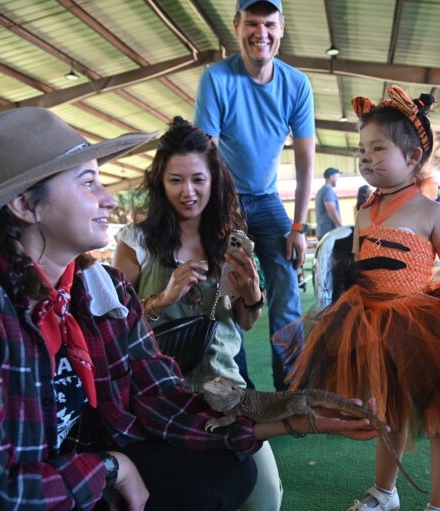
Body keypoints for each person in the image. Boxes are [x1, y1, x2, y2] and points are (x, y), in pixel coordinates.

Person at [0, 107, 379, 511]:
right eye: (88, 182)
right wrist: (108, 469)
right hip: (34, 485)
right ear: (25, 205)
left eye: (199, 179)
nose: (107, 199)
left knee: (229, 469)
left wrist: (299, 420)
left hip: (102, 448)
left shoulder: (95, 286)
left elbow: (159, 397)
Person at [288, 86, 440, 511]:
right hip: (369, 324)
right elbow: (357, 267)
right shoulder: (362, 211)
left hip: (421, 325)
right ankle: (384, 491)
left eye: (378, 148)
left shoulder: (431, 212)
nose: (366, 157)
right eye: (362, 149)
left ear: (412, 157)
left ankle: (439, 505)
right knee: (388, 413)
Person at [111, 117, 281, 511]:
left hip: (226, 392)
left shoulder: (232, 240)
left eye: (198, 180)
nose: (188, 192)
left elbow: (245, 322)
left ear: (214, 181)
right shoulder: (135, 241)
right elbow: (113, 326)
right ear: (161, 182)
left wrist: (252, 297)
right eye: (176, 180)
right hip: (158, 398)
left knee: (267, 499)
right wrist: (163, 298)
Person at [194, 0, 315, 390]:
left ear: (281, 29)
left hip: (267, 200)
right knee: (225, 288)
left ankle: (291, 385)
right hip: (225, 199)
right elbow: (205, 155)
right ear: (237, 26)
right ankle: (237, 383)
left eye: (268, 24)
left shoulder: (296, 84)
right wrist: (211, 217)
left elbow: (304, 162)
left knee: (285, 278)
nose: (259, 33)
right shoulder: (216, 78)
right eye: (251, 23)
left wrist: (298, 226)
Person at [315, 167, 343, 239]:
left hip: (323, 231)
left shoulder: (321, 190)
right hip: (329, 232)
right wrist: (341, 228)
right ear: (331, 177)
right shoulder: (328, 190)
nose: (338, 179)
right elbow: (331, 209)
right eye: (337, 177)